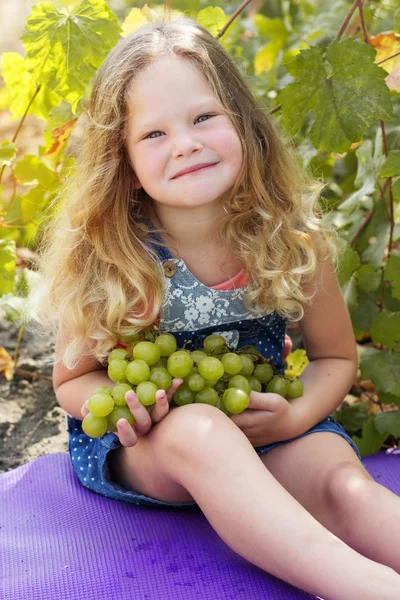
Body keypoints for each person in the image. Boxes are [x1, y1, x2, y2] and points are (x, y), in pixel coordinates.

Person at [27, 17, 400, 599]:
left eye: (204, 117)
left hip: (265, 427)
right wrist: (130, 407)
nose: (186, 143)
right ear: (120, 161)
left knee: (346, 489)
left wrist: (296, 419)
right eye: (153, 134)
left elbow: (335, 357)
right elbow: (71, 382)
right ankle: (366, 588)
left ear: (245, 125)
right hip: (153, 446)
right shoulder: (109, 254)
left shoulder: (291, 237)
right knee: (200, 431)